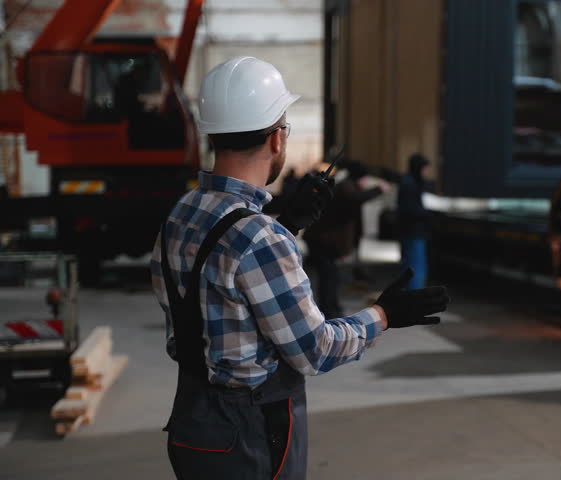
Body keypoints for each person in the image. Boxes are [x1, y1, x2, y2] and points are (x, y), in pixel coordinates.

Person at [150, 56, 450, 480]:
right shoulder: (259, 238)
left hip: (192, 423)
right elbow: (316, 350)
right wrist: (383, 315)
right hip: (250, 436)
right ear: (276, 140)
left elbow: (218, 279)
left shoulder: (181, 213)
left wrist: (288, 225)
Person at [304, 161, 385, 317]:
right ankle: (328, 311)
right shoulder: (346, 187)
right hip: (322, 240)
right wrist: (378, 189)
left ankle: (331, 309)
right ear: (359, 177)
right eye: (365, 178)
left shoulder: (348, 185)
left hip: (326, 240)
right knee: (328, 277)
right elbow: (356, 199)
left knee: (331, 277)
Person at [397, 153, 431, 289]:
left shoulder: (410, 182)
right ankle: (413, 298)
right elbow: (410, 209)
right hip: (413, 233)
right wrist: (429, 212)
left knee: (412, 267)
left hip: (411, 232)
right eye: (425, 168)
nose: (427, 172)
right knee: (415, 268)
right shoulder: (410, 184)